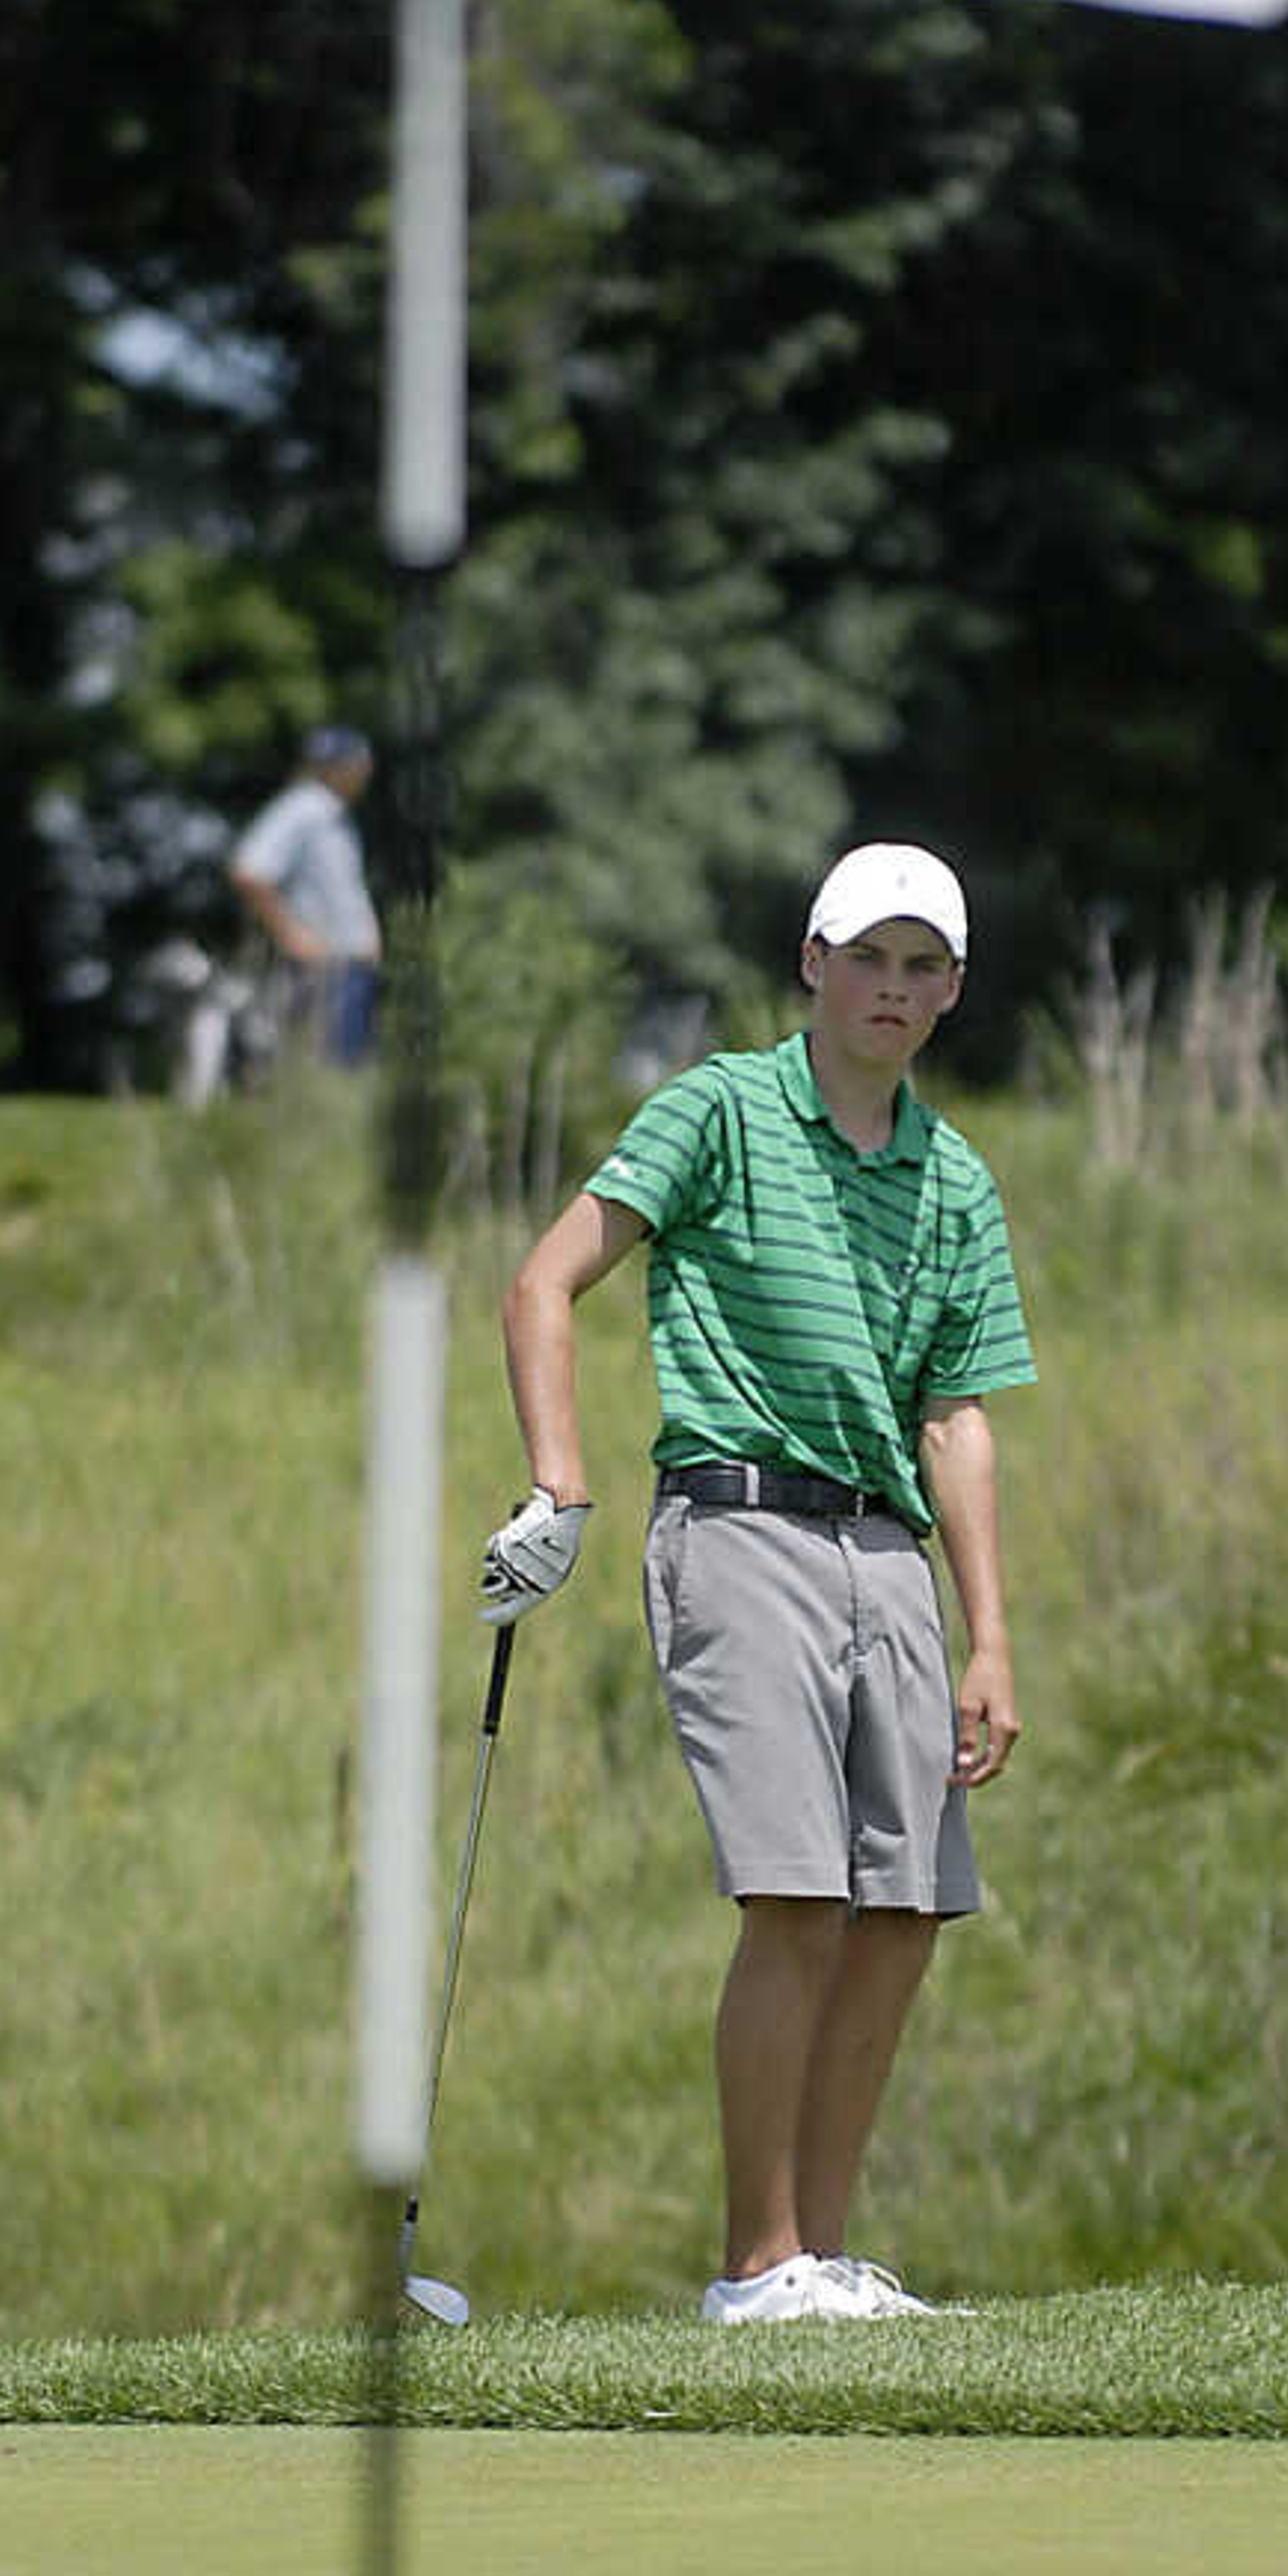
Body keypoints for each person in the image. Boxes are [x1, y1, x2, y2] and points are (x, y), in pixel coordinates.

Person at [482, 841, 1036, 2323]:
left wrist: (988, 1633)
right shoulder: (719, 1109)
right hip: (737, 1529)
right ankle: (756, 2261)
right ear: (813, 961)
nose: (893, 988)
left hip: (887, 1551)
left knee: (904, 1904)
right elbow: (544, 1282)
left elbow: (956, 1415)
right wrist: (560, 1478)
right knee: (795, 1895)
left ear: (952, 990)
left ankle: (825, 2259)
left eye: (923, 967)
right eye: (868, 957)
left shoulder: (954, 1176)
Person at [226, 725, 381, 1067]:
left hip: (349, 965)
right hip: (324, 967)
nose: (365, 772)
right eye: (357, 764)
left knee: (347, 1070)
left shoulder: (335, 815)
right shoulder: (304, 808)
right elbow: (249, 871)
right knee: (328, 1069)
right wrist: (291, 935)